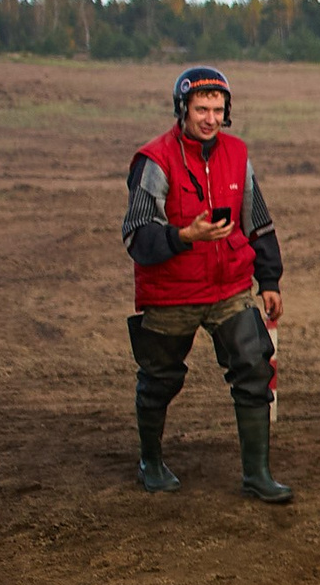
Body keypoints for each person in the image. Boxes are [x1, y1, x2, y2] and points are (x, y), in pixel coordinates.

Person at [122, 66, 292, 502]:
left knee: (255, 368)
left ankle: (258, 475)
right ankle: (151, 462)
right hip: (171, 292)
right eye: (202, 109)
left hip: (230, 287)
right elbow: (137, 236)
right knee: (159, 380)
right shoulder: (154, 160)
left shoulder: (238, 153)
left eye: (218, 109)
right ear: (182, 109)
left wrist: (269, 279)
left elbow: (258, 221)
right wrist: (184, 237)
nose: (210, 119)